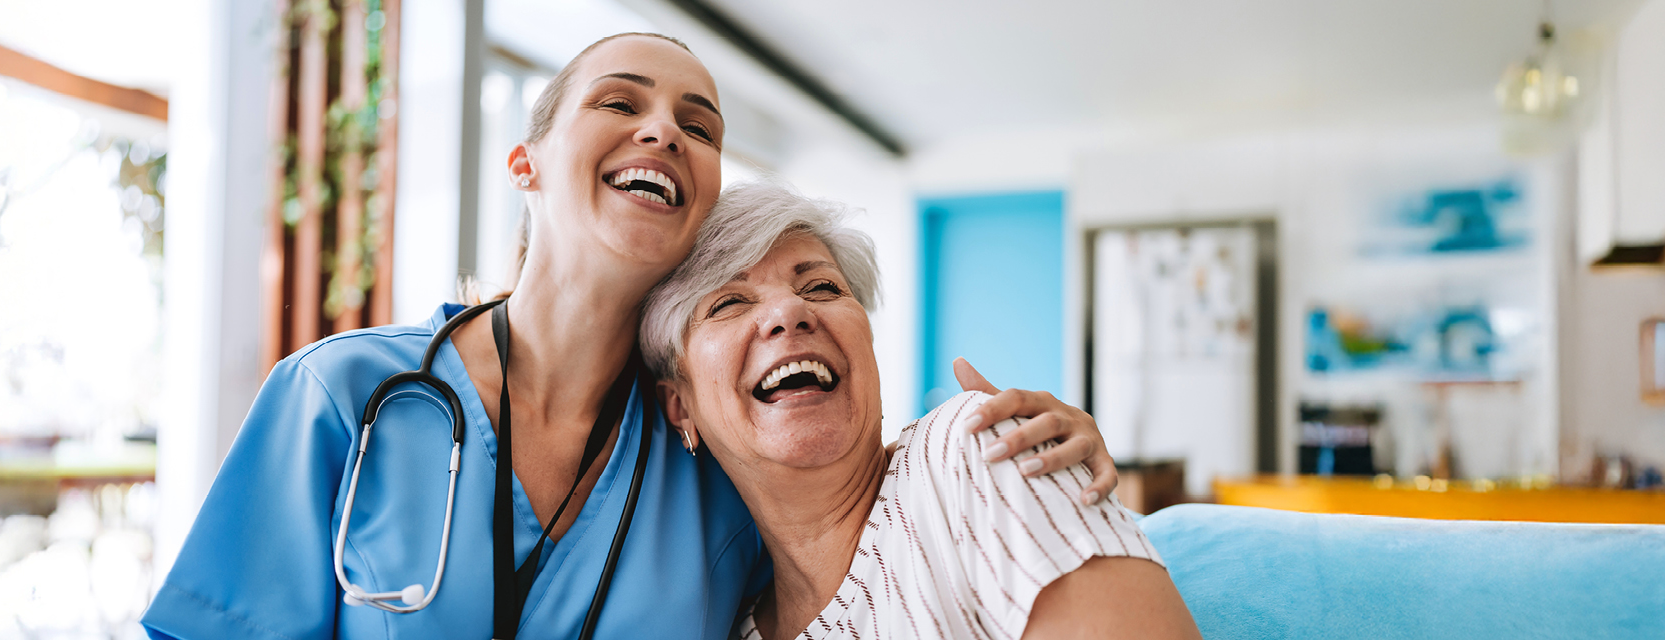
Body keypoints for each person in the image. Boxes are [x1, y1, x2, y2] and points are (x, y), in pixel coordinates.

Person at [143, 33, 1119, 640]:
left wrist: (1010, 452)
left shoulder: (703, 465)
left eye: (698, 125)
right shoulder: (344, 397)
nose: (664, 132)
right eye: (622, 102)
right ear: (525, 162)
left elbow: (850, 511)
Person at [644, 181, 1200, 639]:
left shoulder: (974, 448)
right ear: (680, 404)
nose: (791, 311)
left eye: (820, 286)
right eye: (730, 301)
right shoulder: (730, 626)